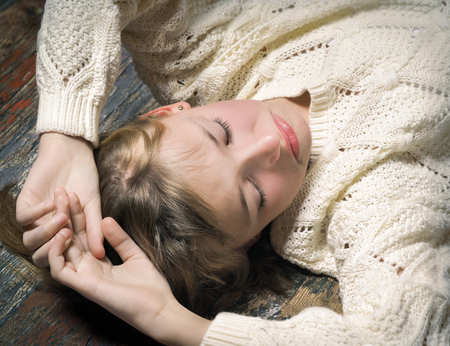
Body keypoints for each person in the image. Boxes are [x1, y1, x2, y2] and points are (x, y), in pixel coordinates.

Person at [13, 0, 450, 345]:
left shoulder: (202, 57)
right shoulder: (362, 201)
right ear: (250, 239)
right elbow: (399, 334)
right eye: (255, 194)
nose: (270, 145)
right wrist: (174, 324)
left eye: (221, 133)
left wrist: (63, 134)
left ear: (169, 110)